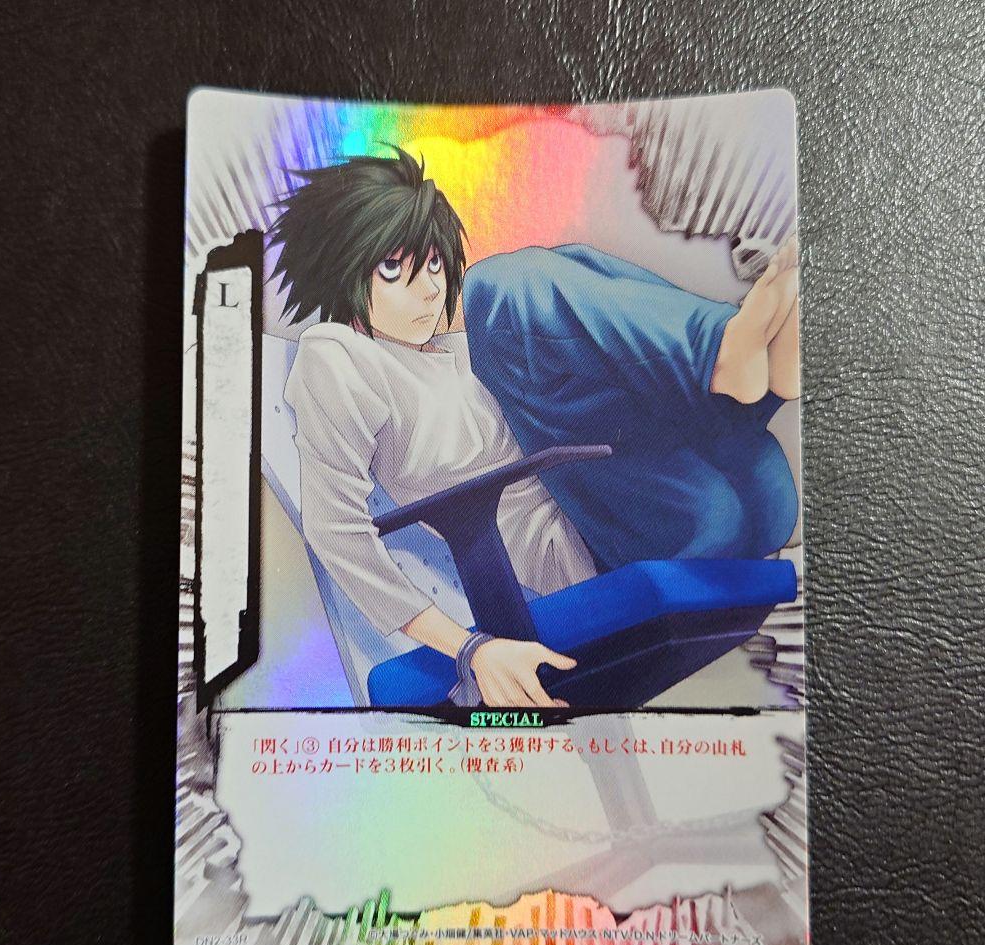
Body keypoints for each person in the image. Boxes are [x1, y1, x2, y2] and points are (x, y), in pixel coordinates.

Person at [270, 148, 800, 707]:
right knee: (501, 291)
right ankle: (725, 351)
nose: (429, 288)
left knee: (573, 272)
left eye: (434, 263)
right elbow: (336, 531)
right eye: (393, 269)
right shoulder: (336, 357)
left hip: (712, 505)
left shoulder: (452, 349)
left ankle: (749, 367)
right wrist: (469, 649)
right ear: (343, 270)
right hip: (595, 542)